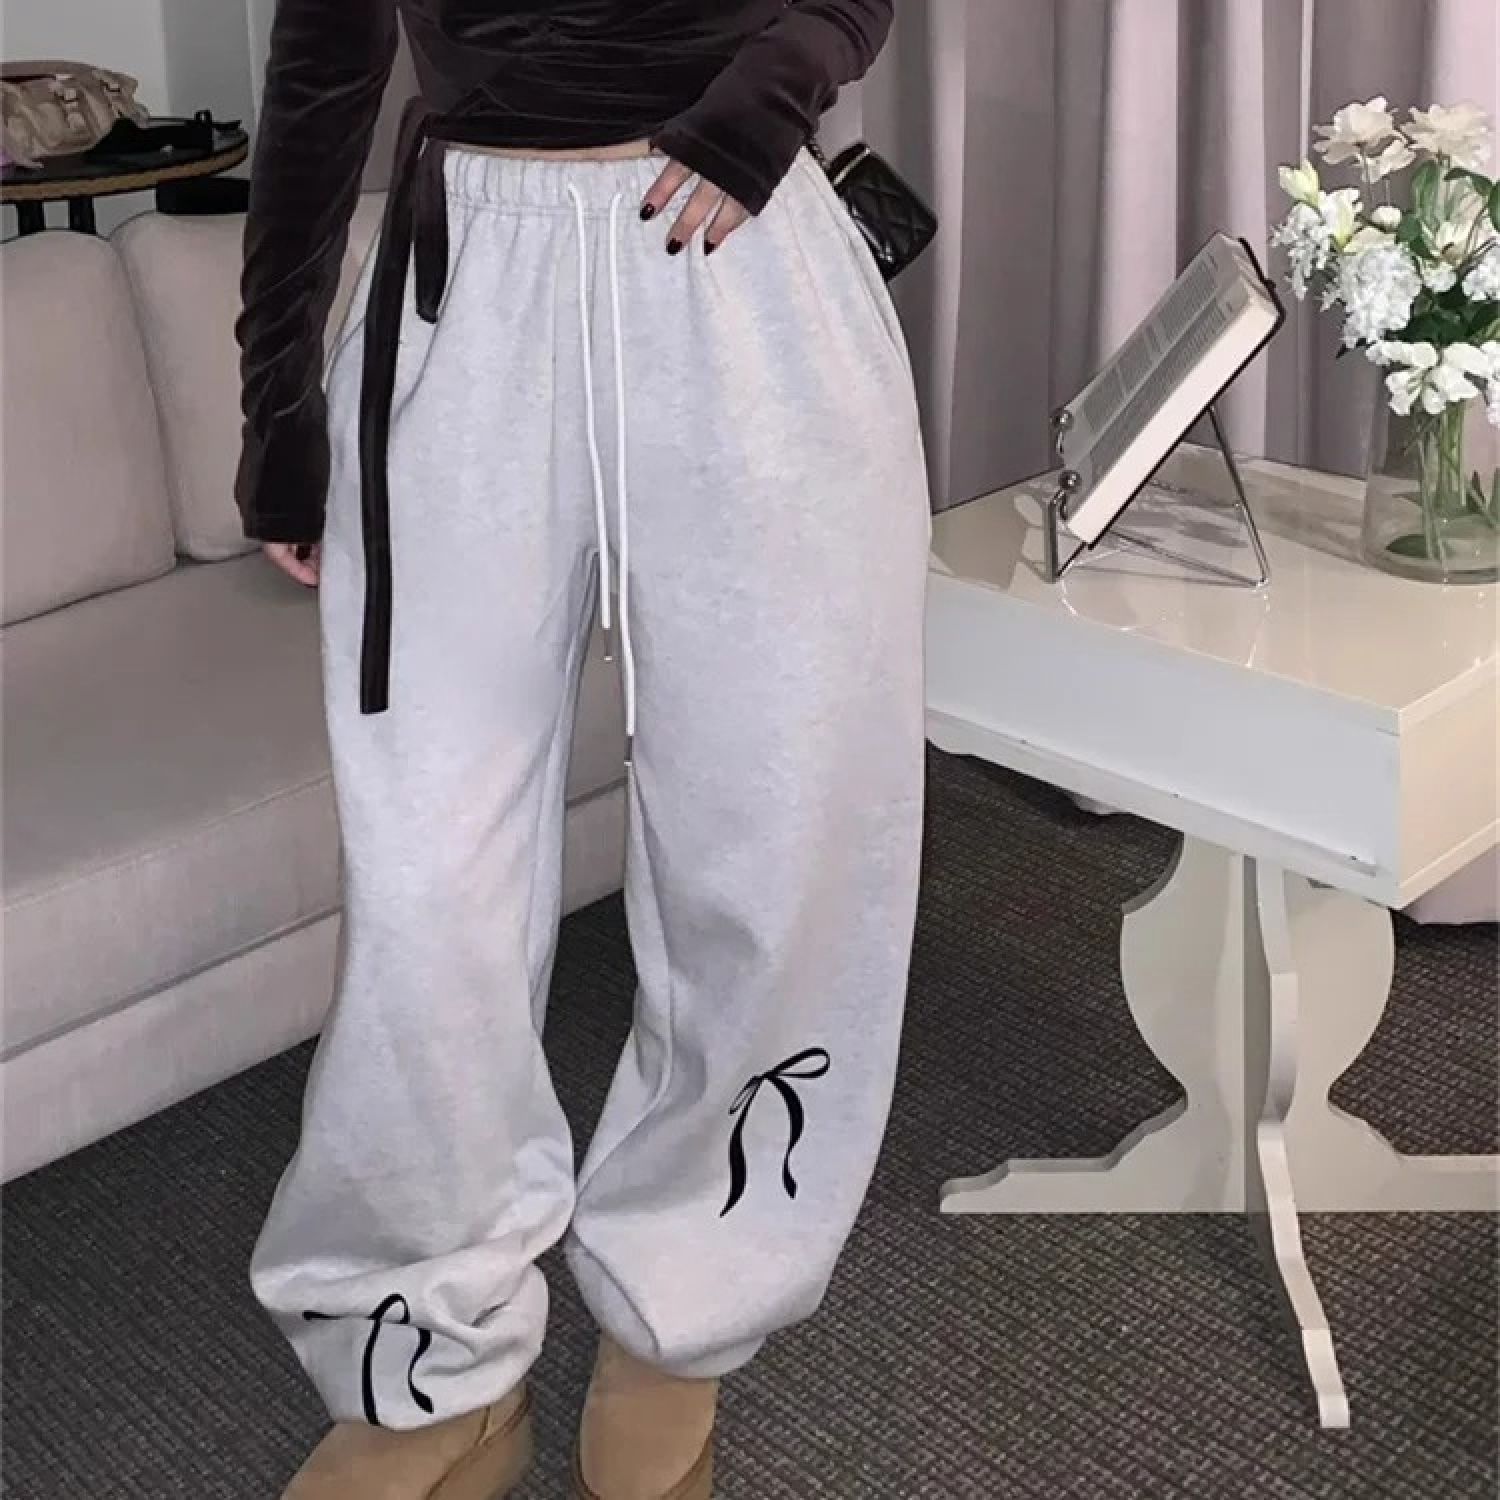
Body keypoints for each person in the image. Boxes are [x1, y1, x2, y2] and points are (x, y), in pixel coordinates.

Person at [233, 2, 931, 1495]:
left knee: (774, 836)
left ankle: (687, 1301)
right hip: (465, 288)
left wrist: (785, 73)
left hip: (738, 253)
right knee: (428, 882)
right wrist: (276, 397)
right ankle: (427, 1356)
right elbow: (321, 65)